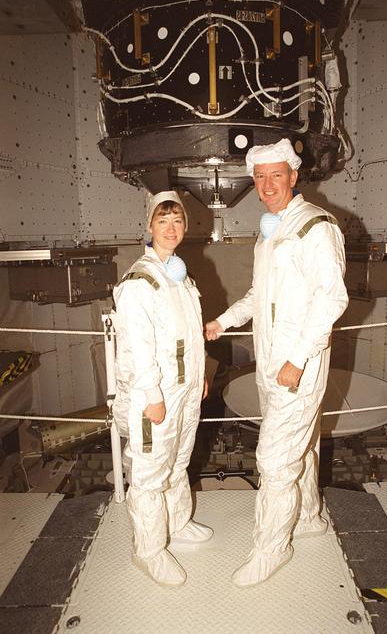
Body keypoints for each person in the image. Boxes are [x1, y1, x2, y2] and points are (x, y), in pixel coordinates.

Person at [206, 138, 349, 587]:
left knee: (273, 459)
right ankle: (308, 518)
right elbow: (258, 296)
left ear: (294, 176)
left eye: (276, 175)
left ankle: (271, 549)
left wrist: (298, 358)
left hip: (296, 365)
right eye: (260, 177)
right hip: (271, 362)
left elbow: (332, 299)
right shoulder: (270, 232)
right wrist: (223, 322)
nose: (268, 185)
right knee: (298, 446)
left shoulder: (316, 227)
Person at [112, 190, 212, 588]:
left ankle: (178, 522)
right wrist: (152, 396)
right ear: (149, 226)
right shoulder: (140, 281)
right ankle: (149, 551)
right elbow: (138, 348)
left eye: (177, 220)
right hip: (155, 394)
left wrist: (201, 376)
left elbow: (188, 336)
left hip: (184, 388)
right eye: (162, 220)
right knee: (151, 472)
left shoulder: (179, 274)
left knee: (178, 459)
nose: (171, 228)